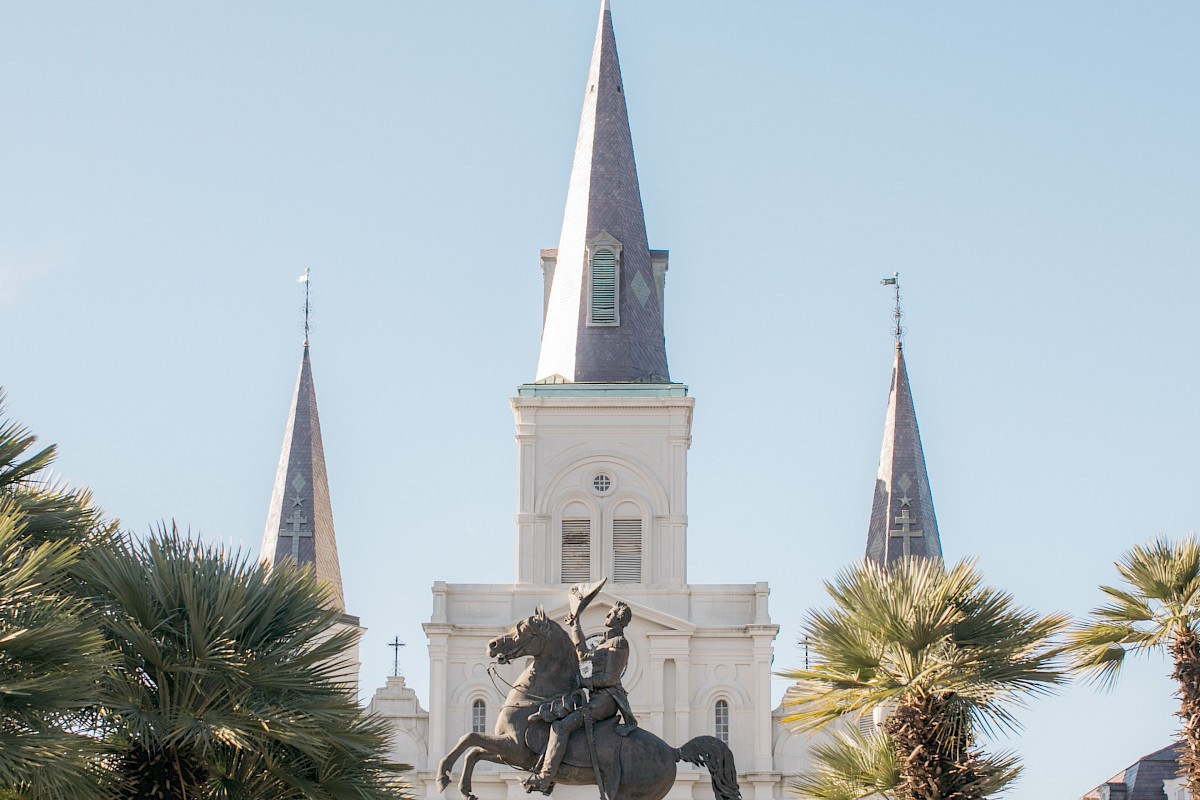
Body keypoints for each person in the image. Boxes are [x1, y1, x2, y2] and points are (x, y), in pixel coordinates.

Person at [524, 586, 637, 795]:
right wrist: (576, 625)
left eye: (611, 613)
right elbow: (584, 654)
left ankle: (546, 778)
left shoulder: (619, 643)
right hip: (595, 697)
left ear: (619, 620)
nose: (607, 614)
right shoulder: (605, 641)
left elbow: (611, 678)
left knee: (562, 727)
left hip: (606, 699)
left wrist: (584, 681)